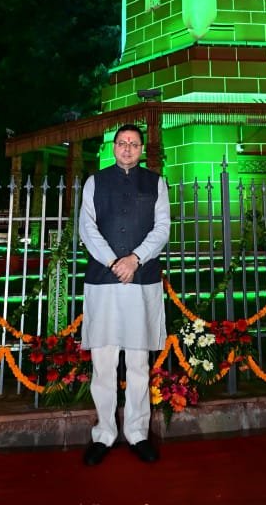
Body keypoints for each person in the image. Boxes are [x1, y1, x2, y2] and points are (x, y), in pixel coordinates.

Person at [79, 123, 171, 465]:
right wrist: (113, 261)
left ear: (142, 149)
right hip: (103, 281)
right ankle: (104, 434)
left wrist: (135, 259)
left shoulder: (156, 182)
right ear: (114, 147)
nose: (127, 148)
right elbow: (87, 227)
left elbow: (162, 228)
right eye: (122, 142)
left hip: (142, 280)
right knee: (103, 363)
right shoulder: (95, 181)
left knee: (138, 363)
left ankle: (137, 433)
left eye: (133, 143)